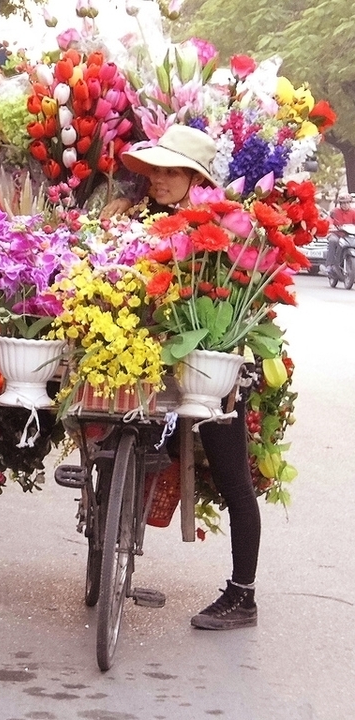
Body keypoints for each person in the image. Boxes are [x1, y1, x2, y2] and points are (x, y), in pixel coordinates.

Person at [113, 125, 262, 631]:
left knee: (231, 476)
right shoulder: (137, 221)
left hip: (212, 365)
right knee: (110, 426)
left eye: (170, 170)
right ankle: (108, 514)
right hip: (150, 360)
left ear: (195, 178)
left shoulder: (224, 232)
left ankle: (243, 596)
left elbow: (243, 303)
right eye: (155, 169)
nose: (157, 179)